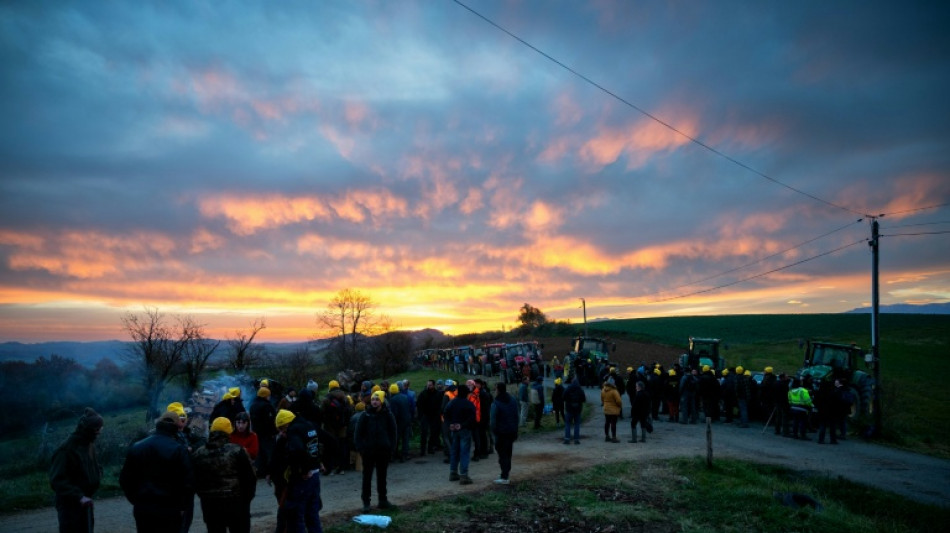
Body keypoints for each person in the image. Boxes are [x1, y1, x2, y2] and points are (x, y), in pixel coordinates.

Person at [120, 411, 195, 533]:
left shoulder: (137, 447)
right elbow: (188, 482)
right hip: (170, 509)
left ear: (158, 425)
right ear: (176, 428)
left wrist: (136, 500)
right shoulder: (178, 450)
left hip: (143, 508)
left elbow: (125, 479)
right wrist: (183, 506)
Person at [192, 417, 257, 533]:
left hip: (210, 505)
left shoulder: (199, 453)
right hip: (235, 503)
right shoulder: (237, 450)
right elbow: (250, 478)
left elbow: (195, 479)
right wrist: (246, 499)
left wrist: (204, 495)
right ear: (229, 431)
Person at [49, 407, 103, 533]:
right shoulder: (66, 450)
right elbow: (57, 480)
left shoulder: (89, 445)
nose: (99, 432)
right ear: (88, 429)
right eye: (97, 429)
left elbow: (93, 465)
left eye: (100, 428)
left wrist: (98, 473)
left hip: (86, 502)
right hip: (70, 506)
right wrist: (79, 497)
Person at [274, 409, 324, 533]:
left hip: (303, 478)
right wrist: (320, 462)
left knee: (296, 516)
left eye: (281, 429)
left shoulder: (293, 431)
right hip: (315, 475)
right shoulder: (308, 426)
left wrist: (304, 470)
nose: (281, 433)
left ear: (286, 425)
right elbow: (326, 441)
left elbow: (297, 450)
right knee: (312, 515)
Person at [354, 390, 398, 512]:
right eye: (373, 399)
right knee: (367, 478)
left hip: (383, 451)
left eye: (377, 400)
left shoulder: (388, 415)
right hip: (368, 452)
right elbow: (358, 434)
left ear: (382, 401)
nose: (374, 402)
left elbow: (393, 433)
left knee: (382, 477)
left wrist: (391, 448)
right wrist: (361, 449)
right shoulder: (365, 415)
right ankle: (366, 502)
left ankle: (383, 500)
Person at [444, 384, 477, 485]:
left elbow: (445, 413)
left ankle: (453, 472)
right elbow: (472, 418)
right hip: (464, 430)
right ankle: (464, 475)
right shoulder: (468, 404)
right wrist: (462, 425)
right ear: (466, 393)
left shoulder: (452, 402)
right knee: (464, 452)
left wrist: (450, 424)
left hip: (454, 429)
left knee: (454, 451)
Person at [489, 382, 519, 484]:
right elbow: (516, 415)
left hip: (501, 433)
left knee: (502, 455)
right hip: (511, 431)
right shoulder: (512, 400)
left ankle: (504, 476)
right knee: (508, 453)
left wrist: (494, 432)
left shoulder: (496, 403)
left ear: (498, 390)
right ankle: (505, 473)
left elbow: (493, 421)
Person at [321, 380, 351, 475]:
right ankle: (342, 468)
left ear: (330, 387)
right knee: (342, 446)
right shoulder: (345, 397)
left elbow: (322, 413)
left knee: (330, 447)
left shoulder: (326, 399)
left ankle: (330, 468)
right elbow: (349, 411)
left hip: (330, 428)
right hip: (342, 427)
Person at [249, 385, 277, 476]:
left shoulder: (253, 405)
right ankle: (270, 471)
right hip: (267, 434)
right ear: (265, 396)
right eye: (269, 395)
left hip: (257, 433)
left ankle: (260, 471)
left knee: (259, 453)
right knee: (270, 453)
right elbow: (270, 421)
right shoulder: (267, 406)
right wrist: (274, 432)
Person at [417, 380, 442, 456]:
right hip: (425, 415)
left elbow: (439, 405)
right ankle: (423, 450)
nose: (428, 386)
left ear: (433, 385)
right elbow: (419, 404)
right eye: (428, 385)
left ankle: (430, 448)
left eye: (430, 385)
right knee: (424, 433)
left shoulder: (437, 394)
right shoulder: (423, 393)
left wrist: (438, 414)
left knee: (433, 432)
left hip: (434, 416)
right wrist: (420, 415)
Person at [386, 383, 411, 463]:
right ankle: (405, 455)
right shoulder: (405, 397)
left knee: (396, 439)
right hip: (407, 420)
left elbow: (394, 413)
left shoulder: (393, 400)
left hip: (398, 422)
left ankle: (393, 455)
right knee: (405, 439)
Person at [562, 377, 586, 445]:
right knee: (577, 424)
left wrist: (568, 401)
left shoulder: (568, 389)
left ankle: (567, 439)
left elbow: (563, 397)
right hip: (578, 409)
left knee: (567, 424)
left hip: (569, 409)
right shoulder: (580, 389)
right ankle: (576, 440)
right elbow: (584, 399)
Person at [600, 377, 622, 442]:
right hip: (614, 409)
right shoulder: (614, 391)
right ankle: (614, 437)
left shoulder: (603, 390)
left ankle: (607, 436)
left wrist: (604, 404)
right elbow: (619, 401)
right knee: (613, 423)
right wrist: (620, 406)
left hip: (606, 408)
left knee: (607, 422)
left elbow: (602, 399)